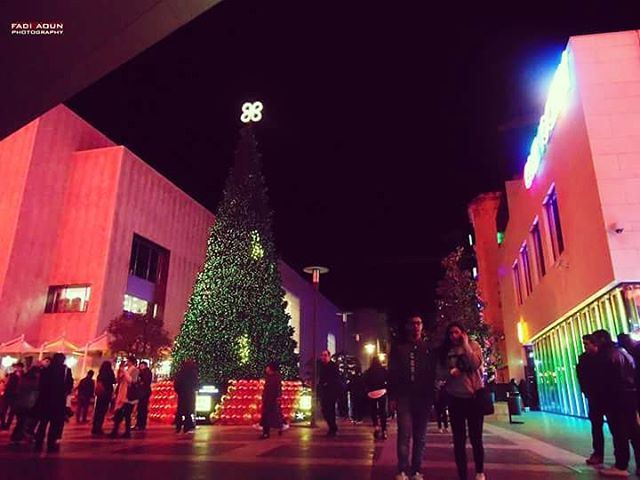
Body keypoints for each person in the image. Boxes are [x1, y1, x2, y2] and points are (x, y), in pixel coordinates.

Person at [388, 314, 436, 480]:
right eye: (413, 323)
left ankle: (416, 470)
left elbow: (431, 374)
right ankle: (402, 469)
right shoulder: (399, 347)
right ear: (409, 326)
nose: (416, 326)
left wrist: (431, 398)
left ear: (422, 326)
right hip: (404, 397)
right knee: (404, 433)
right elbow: (392, 373)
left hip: (422, 397)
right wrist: (392, 397)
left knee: (420, 436)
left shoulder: (427, 348)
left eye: (418, 323)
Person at [437, 322, 486, 480]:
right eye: (450, 333)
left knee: (476, 437)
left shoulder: (473, 346)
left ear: (463, 333)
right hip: (455, 399)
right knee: (459, 440)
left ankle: (479, 471)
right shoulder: (446, 351)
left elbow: (475, 363)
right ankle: (462, 475)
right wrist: (450, 373)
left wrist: (466, 345)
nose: (453, 336)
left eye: (456, 332)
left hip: (474, 397)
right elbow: (439, 373)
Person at [593, 329, 640, 477]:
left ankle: (621, 465)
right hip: (629, 396)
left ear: (601, 340)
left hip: (615, 399)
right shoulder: (624, 353)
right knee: (634, 432)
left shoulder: (605, 355)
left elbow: (603, 381)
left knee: (619, 432)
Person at [576, 334, 606, 466]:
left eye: (587, 344)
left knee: (617, 428)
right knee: (596, 426)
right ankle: (598, 453)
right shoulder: (584, 359)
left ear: (595, 344)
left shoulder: (604, 357)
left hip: (606, 395)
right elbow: (581, 376)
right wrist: (586, 391)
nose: (585, 347)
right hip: (594, 396)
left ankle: (617, 458)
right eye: (584, 344)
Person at [34, 353, 73, 452]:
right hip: (58, 401)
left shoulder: (46, 369)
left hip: (45, 400)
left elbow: (40, 385)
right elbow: (69, 387)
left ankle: (38, 442)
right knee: (54, 424)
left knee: (43, 423)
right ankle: (51, 442)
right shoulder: (66, 370)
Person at [109, 357, 139, 439]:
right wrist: (120, 372)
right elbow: (119, 380)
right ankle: (115, 430)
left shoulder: (135, 370)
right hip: (122, 394)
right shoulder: (126, 370)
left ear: (131, 362)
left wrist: (124, 371)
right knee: (119, 413)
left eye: (128, 361)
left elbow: (131, 380)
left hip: (129, 396)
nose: (127, 363)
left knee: (126, 414)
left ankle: (126, 432)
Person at [9, 364, 40, 443]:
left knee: (21, 421)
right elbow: (35, 390)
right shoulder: (33, 381)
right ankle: (16, 438)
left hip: (20, 403)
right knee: (22, 422)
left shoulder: (23, 379)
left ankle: (18, 437)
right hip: (26, 403)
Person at [363, 355, 388, 440]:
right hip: (382, 391)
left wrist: (367, 390)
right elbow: (387, 379)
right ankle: (384, 430)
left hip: (372, 393)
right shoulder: (383, 370)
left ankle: (376, 427)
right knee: (382, 412)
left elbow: (365, 381)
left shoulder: (369, 371)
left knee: (373, 411)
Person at [318, 349, 342, 437]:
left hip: (331, 392)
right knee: (325, 410)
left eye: (325, 355)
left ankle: (332, 428)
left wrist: (327, 383)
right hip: (325, 391)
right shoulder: (322, 366)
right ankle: (332, 427)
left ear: (329, 356)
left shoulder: (333, 366)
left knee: (330, 410)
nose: (323, 357)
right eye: (322, 355)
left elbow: (335, 378)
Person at [259, 362, 284, 438]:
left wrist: (278, 397)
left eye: (267, 367)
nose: (266, 369)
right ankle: (266, 432)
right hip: (267, 400)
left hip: (272, 400)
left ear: (270, 368)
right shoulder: (268, 376)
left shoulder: (276, 377)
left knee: (270, 416)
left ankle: (267, 432)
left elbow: (278, 387)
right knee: (267, 416)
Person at [174, 359, 198, 433]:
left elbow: (176, 383)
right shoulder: (193, 373)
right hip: (189, 394)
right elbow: (195, 383)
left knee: (180, 411)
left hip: (182, 394)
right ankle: (187, 427)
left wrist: (179, 391)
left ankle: (178, 426)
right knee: (188, 411)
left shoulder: (180, 373)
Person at [92, 361, 116, 436]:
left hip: (100, 394)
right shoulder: (110, 373)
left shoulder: (100, 373)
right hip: (106, 393)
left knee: (97, 411)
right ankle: (99, 427)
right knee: (102, 411)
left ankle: (94, 428)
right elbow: (114, 381)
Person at [1, 362, 24, 430]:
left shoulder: (23, 375)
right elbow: (6, 383)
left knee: (12, 412)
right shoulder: (11, 374)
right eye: (16, 367)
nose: (17, 368)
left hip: (15, 396)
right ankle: (3, 424)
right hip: (8, 394)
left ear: (21, 368)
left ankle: (7, 425)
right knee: (3, 411)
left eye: (18, 367)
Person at [134, 361, 153, 431]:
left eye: (141, 365)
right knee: (140, 409)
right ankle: (139, 424)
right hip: (143, 392)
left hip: (144, 393)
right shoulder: (143, 372)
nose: (140, 367)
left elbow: (145, 382)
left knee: (142, 409)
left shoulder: (146, 372)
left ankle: (141, 424)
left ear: (144, 365)